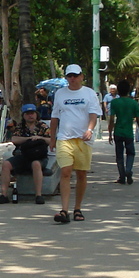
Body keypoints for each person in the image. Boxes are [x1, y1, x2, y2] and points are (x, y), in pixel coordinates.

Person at [49, 64, 101, 223]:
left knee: (81, 174)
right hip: (64, 138)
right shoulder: (60, 94)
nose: (72, 79)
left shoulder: (89, 94)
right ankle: (64, 210)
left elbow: (94, 115)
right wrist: (52, 138)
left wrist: (90, 130)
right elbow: (54, 117)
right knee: (65, 171)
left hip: (83, 140)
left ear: (81, 76)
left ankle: (77, 208)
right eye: (69, 76)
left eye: (75, 75)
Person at [0, 105, 51, 204]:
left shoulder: (43, 126)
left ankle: (38, 195)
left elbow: (51, 140)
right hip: (22, 155)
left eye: (32, 113)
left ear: (36, 114)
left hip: (38, 156)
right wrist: (28, 139)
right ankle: (4, 195)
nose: (30, 116)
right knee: (6, 164)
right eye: (27, 114)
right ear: (23, 115)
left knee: (36, 164)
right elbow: (14, 139)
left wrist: (39, 138)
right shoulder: (20, 127)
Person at [109, 80, 139, 184]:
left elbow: (112, 119)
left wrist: (109, 134)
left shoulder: (114, 102)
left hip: (118, 132)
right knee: (131, 153)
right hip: (129, 132)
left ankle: (122, 176)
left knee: (119, 155)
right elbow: (138, 119)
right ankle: (128, 170)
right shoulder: (134, 103)